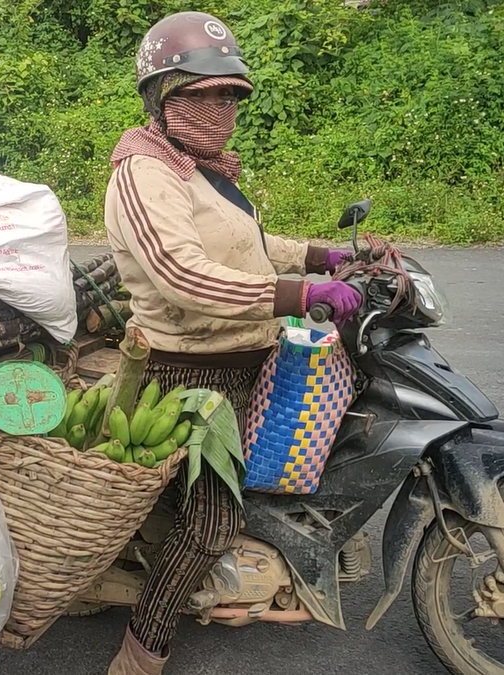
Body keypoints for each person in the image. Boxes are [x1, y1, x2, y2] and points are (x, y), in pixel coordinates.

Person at [101, 11, 362, 675]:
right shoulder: (144, 174)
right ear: (164, 99)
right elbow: (185, 275)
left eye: (230, 95)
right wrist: (299, 295)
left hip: (243, 354)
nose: (222, 108)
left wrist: (321, 257)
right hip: (189, 374)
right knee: (210, 524)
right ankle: (140, 652)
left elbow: (244, 247)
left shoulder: (199, 170)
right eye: (204, 94)